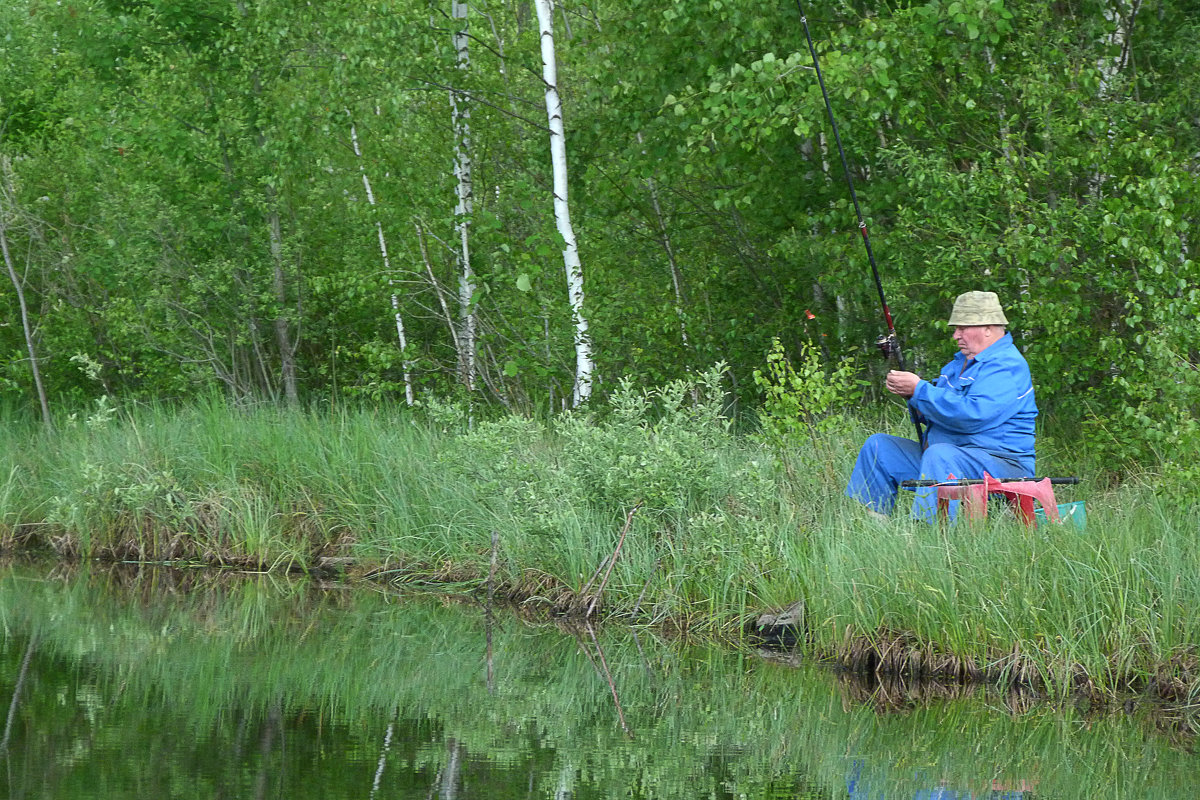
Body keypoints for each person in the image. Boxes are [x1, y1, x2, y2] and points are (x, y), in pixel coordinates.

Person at [845, 291, 1037, 522]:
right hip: (945, 459)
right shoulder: (956, 365)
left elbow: (972, 416)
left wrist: (920, 390)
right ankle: (875, 531)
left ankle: (931, 538)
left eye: (962, 328)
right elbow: (941, 412)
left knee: (940, 454)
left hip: (1002, 465)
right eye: (956, 328)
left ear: (988, 327)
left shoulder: (1007, 365)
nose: (956, 335)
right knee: (879, 447)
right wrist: (914, 399)